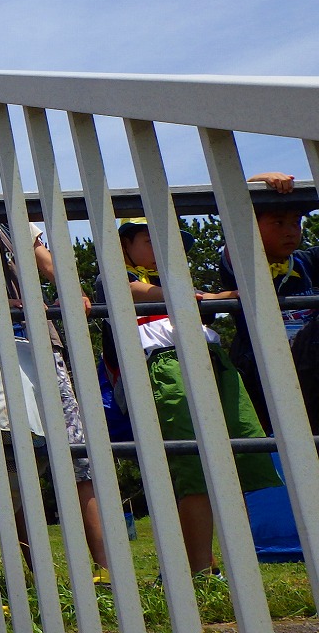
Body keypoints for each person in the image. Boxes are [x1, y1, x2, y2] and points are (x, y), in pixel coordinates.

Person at [97, 218, 279, 575]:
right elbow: (139, 293)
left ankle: (233, 565)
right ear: (124, 246)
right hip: (164, 365)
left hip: (212, 360)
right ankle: (198, 571)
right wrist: (201, 298)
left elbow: (202, 300)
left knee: (235, 458)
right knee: (192, 466)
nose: (162, 249)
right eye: (150, 240)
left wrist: (218, 297)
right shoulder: (117, 278)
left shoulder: (176, 283)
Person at [0, 177, 109, 581]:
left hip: (39, 342)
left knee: (76, 453)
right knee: (8, 463)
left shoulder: (10, 223)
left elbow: (46, 260)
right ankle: (37, 576)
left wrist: (69, 288)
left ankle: (106, 568)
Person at [218, 172, 319, 433]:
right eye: (278, 222)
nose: (290, 231)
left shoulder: (306, 262)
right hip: (263, 370)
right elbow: (234, 203)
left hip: (310, 371)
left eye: (296, 222)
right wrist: (259, 181)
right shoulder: (243, 261)